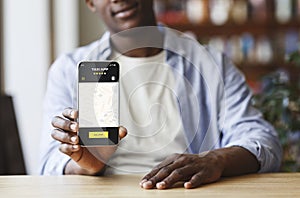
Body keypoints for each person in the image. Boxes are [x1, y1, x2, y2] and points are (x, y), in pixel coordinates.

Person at [39, 0, 282, 190]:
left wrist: (216, 160)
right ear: (91, 3)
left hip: (187, 191)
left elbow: (264, 142)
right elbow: (49, 164)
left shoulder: (210, 64)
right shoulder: (70, 69)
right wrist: (88, 165)